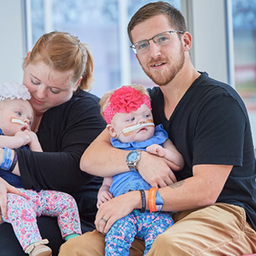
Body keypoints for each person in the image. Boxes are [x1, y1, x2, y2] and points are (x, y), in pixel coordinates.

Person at [58, 1, 256, 256]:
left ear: (185, 41)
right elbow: (90, 159)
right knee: (78, 248)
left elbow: (206, 190)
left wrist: (134, 198)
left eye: (162, 38)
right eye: (142, 45)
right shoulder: (145, 104)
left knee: (169, 245)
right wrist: (137, 159)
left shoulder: (219, 102)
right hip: (161, 214)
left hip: (224, 213)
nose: (153, 52)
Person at [0, 31, 106, 256]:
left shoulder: (87, 111)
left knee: (7, 245)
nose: (39, 94)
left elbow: (72, 168)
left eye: (55, 90)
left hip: (68, 215)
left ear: (76, 84)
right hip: (14, 204)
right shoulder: (8, 103)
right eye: (34, 81)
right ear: (27, 60)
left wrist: (4, 158)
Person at [96, 84, 184, 255]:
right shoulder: (114, 150)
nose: (141, 121)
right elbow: (107, 181)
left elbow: (179, 162)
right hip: (123, 213)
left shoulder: (159, 138)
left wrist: (164, 153)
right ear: (113, 131)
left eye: (146, 115)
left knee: (160, 240)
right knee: (115, 241)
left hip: (157, 212)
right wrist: (103, 192)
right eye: (131, 120)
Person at [0, 82, 82, 256]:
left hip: (36, 196)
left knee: (66, 201)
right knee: (21, 209)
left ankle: (73, 237)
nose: (25, 121)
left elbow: (41, 163)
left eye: (29, 120)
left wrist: (33, 141)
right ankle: (34, 246)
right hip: (12, 198)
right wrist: (20, 140)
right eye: (18, 113)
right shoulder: (5, 138)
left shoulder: (25, 141)